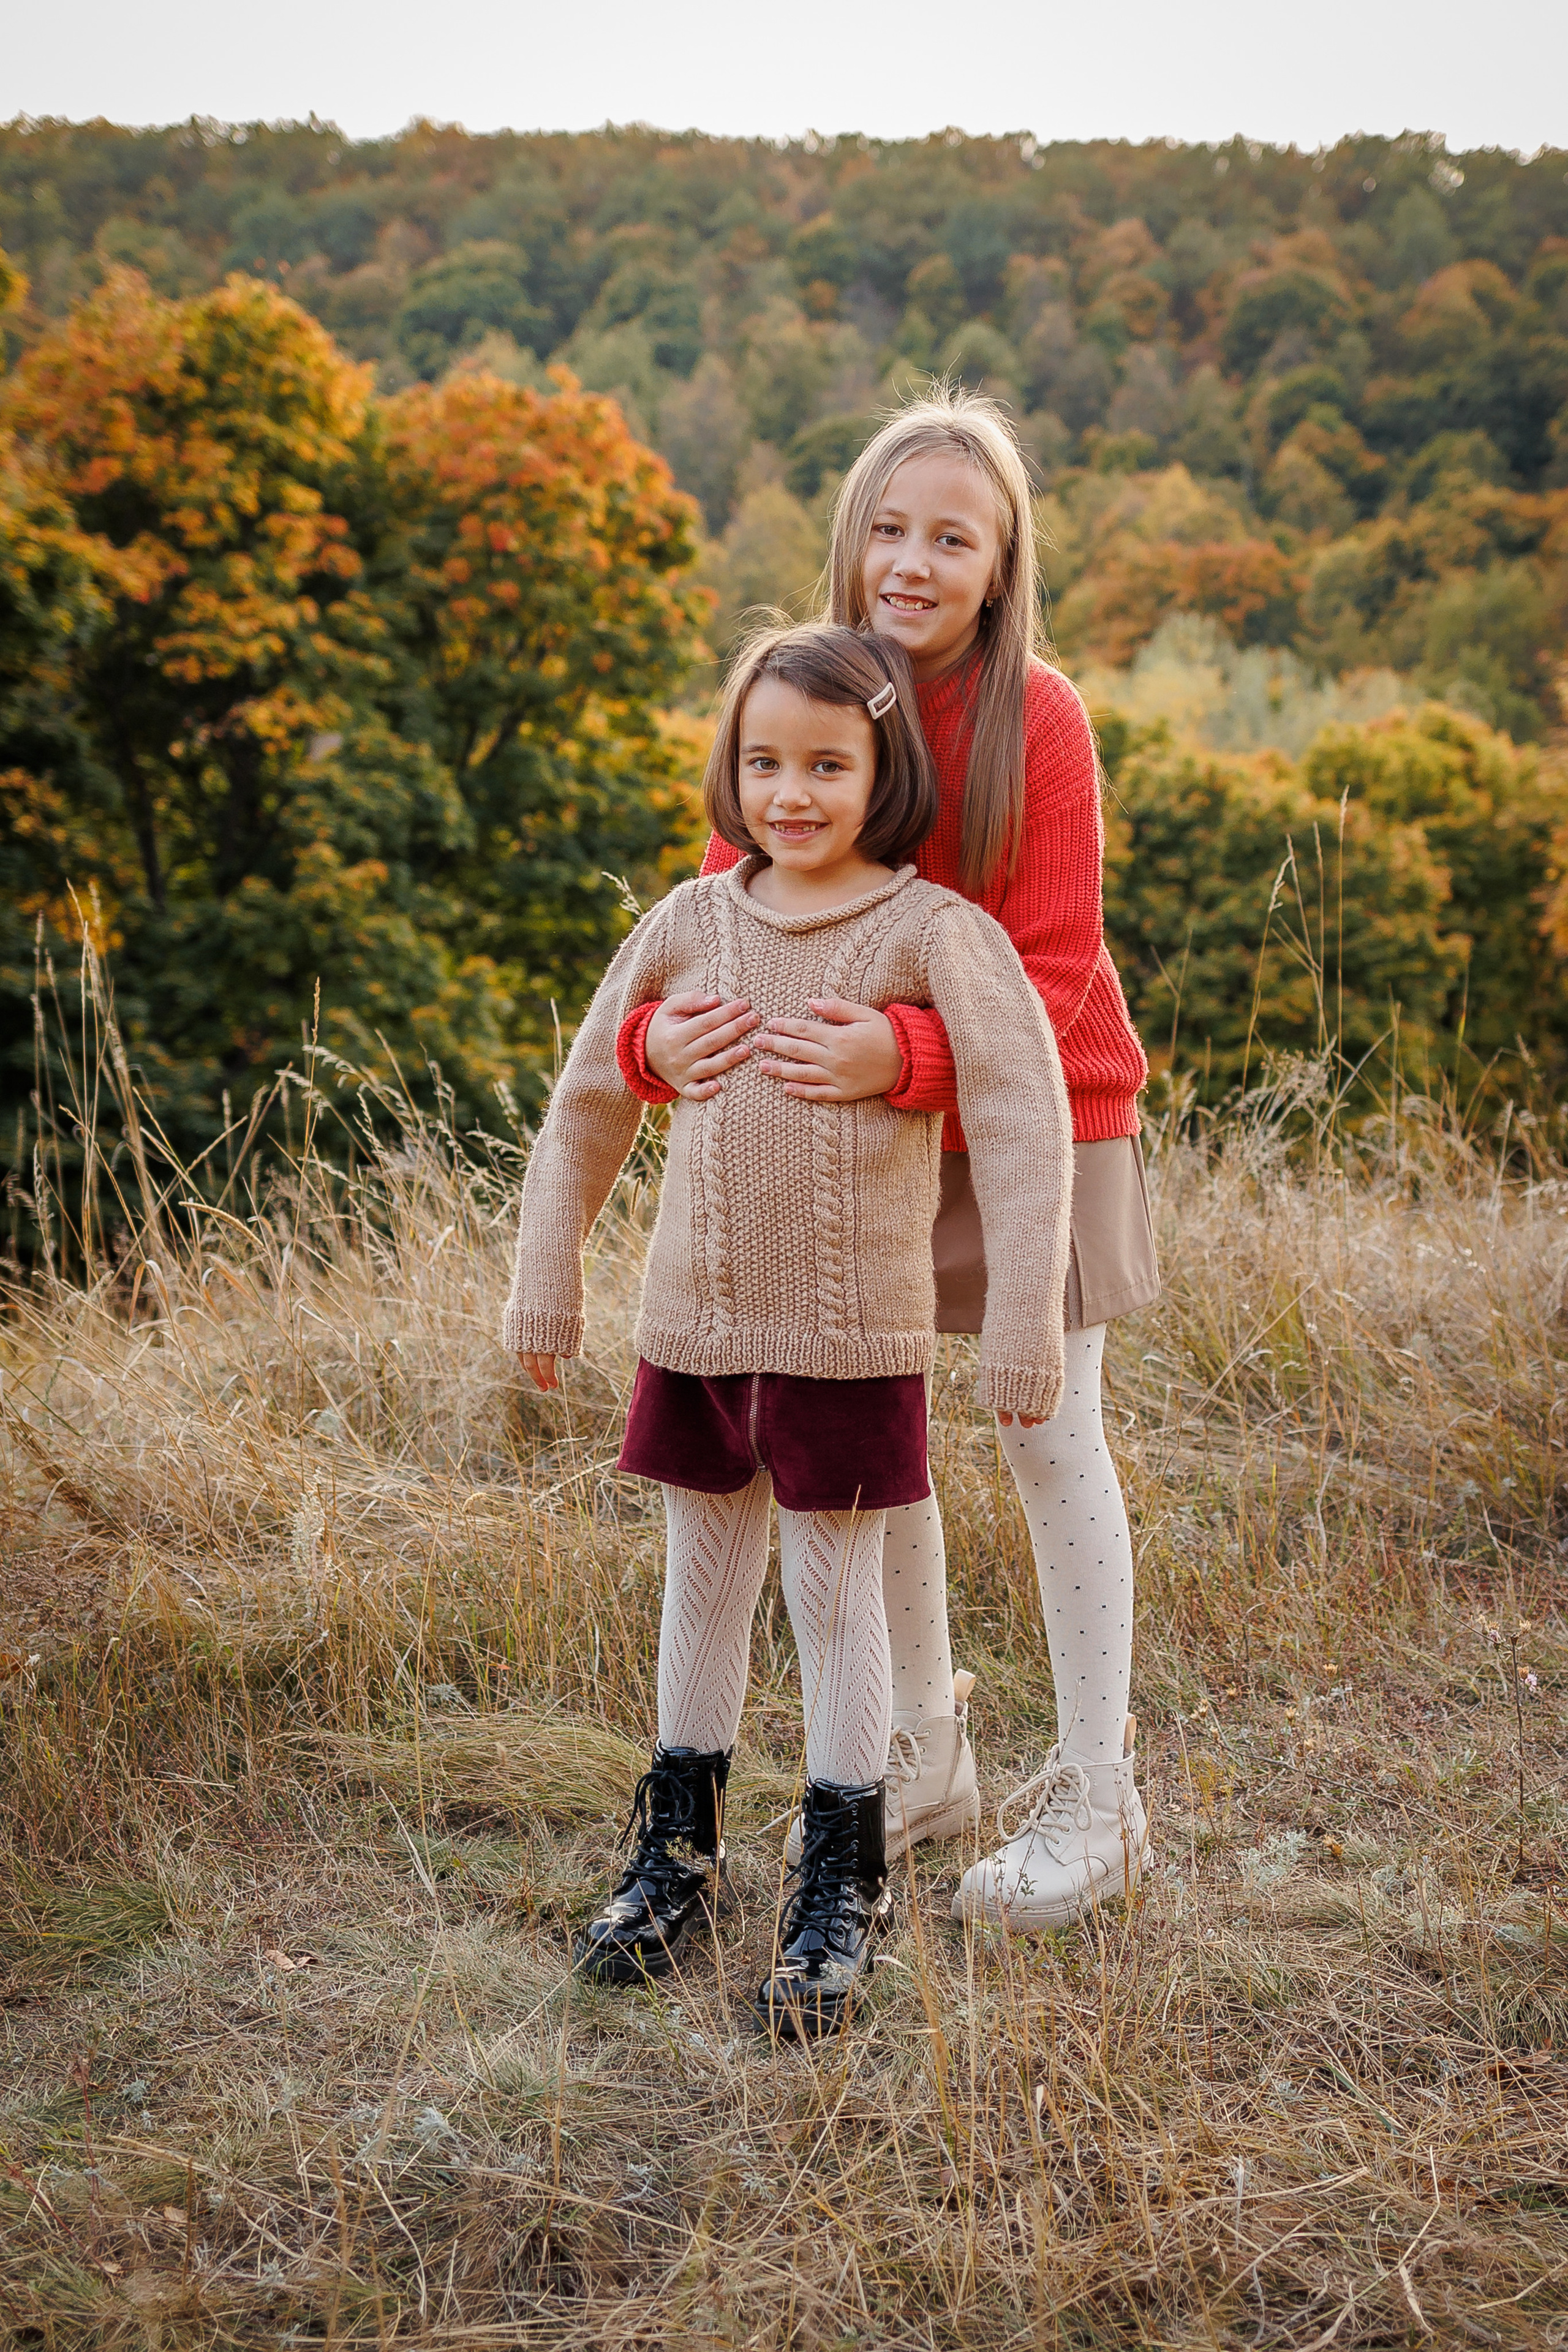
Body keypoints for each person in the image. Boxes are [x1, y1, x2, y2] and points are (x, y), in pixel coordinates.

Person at [616, 388, 1158, 1933]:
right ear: (850, 539)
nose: (912, 561)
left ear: (1000, 567)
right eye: (888, 528)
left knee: (1046, 1434)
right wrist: (657, 1042)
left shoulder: (1035, 715)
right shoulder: (817, 696)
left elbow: (1051, 968)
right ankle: (921, 1752)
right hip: (864, 1141)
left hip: (1043, 1117)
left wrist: (905, 1059)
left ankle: (1097, 1798)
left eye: (952, 539)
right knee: (879, 1428)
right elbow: (730, 916)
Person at [505, 621, 1073, 2035]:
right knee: (699, 1580)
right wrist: (545, 1271)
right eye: (763, 762)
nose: (791, 792)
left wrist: (1021, 1320)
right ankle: (675, 1855)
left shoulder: (931, 932)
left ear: (883, 775)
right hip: (693, 1329)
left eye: (826, 764)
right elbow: (588, 1098)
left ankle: (840, 1880)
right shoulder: (689, 921)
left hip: (850, 1339)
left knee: (831, 1596)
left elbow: (1022, 1120)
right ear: (731, 769)